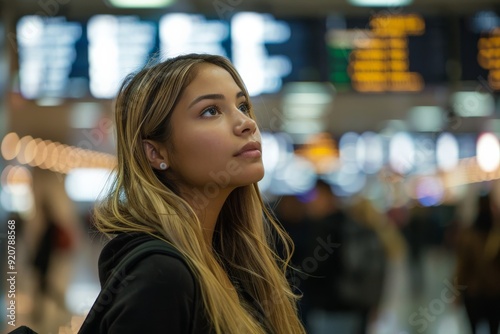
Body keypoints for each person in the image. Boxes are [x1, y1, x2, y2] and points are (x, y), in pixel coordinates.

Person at [78, 54, 305, 334]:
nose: (246, 123)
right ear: (157, 152)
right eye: (211, 111)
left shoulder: (231, 261)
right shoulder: (161, 277)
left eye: (242, 105)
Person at [455, 192, 500, 334]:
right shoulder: (495, 233)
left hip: (475, 292)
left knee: (475, 329)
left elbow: (462, 266)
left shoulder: (469, 233)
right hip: (492, 291)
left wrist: (457, 291)